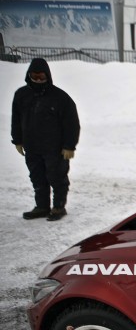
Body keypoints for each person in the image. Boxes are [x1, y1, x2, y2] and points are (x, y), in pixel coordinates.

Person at [11, 58, 80, 221]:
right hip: (31, 146)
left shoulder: (60, 98)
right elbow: (16, 119)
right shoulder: (21, 95)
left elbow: (72, 123)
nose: (38, 80)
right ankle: (42, 207)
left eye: (42, 76)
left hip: (54, 149)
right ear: (29, 75)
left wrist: (69, 145)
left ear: (48, 75)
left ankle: (58, 207)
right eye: (35, 76)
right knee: (37, 178)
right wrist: (18, 141)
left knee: (57, 177)